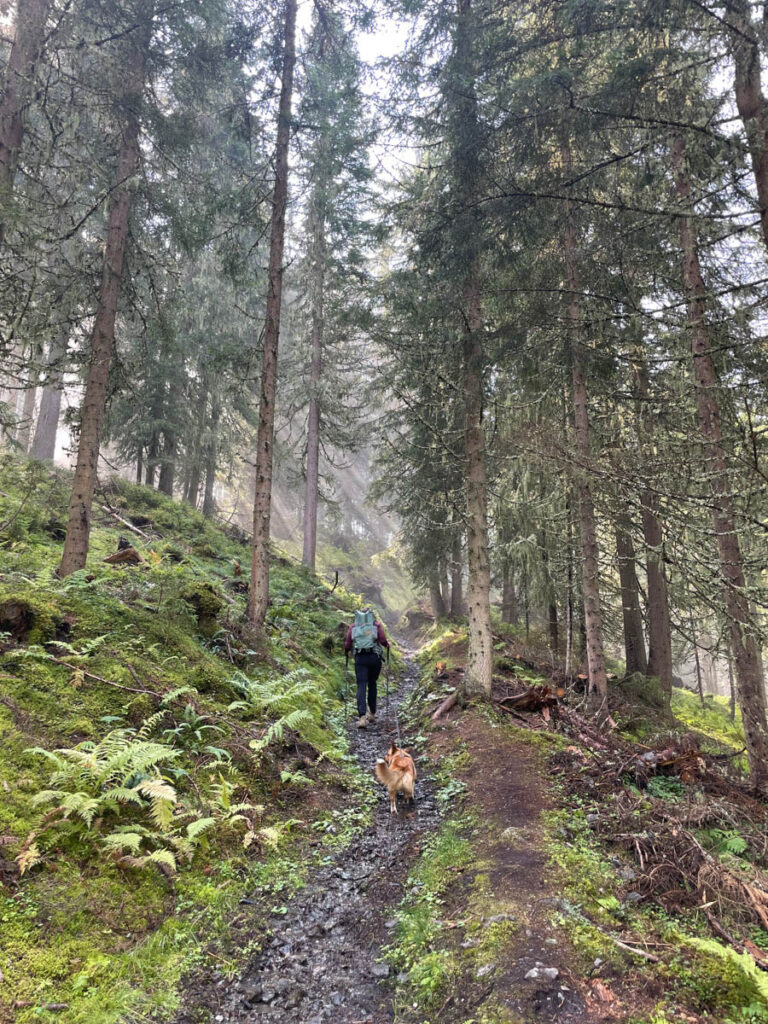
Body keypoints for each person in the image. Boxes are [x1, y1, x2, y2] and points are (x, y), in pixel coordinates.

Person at [345, 608, 390, 729]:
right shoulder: (376, 625)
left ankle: (362, 718)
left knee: (361, 685)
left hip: (360, 658)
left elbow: (348, 643)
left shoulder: (354, 626)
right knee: (372, 684)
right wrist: (387, 645)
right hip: (374, 658)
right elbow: (382, 639)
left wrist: (347, 651)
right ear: (371, 616)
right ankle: (372, 714)